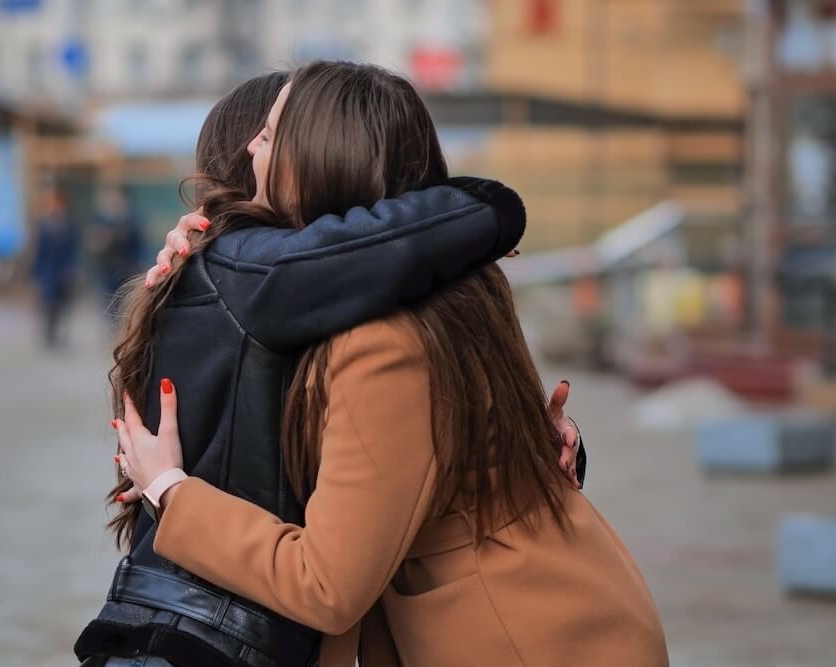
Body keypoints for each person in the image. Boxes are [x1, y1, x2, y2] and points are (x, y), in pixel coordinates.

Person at [113, 62, 666, 666]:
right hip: (556, 604)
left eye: (269, 136)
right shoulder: (449, 286)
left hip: (521, 637)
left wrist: (171, 490)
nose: (250, 152)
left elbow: (327, 585)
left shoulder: (379, 338)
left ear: (317, 158)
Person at [89, 187, 143, 327]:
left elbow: (138, 245)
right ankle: (112, 326)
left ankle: (121, 326)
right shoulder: (100, 220)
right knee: (107, 300)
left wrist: (137, 263)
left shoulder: (131, 221)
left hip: (126, 268)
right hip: (107, 269)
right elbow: (93, 244)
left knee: (124, 300)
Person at [30, 187, 78, 349]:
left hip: (63, 272)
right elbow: (39, 252)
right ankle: (49, 334)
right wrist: (36, 274)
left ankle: (59, 335)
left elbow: (73, 250)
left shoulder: (68, 225)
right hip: (47, 272)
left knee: (63, 306)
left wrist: (72, 268)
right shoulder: (44, 225)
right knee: (48, 305)